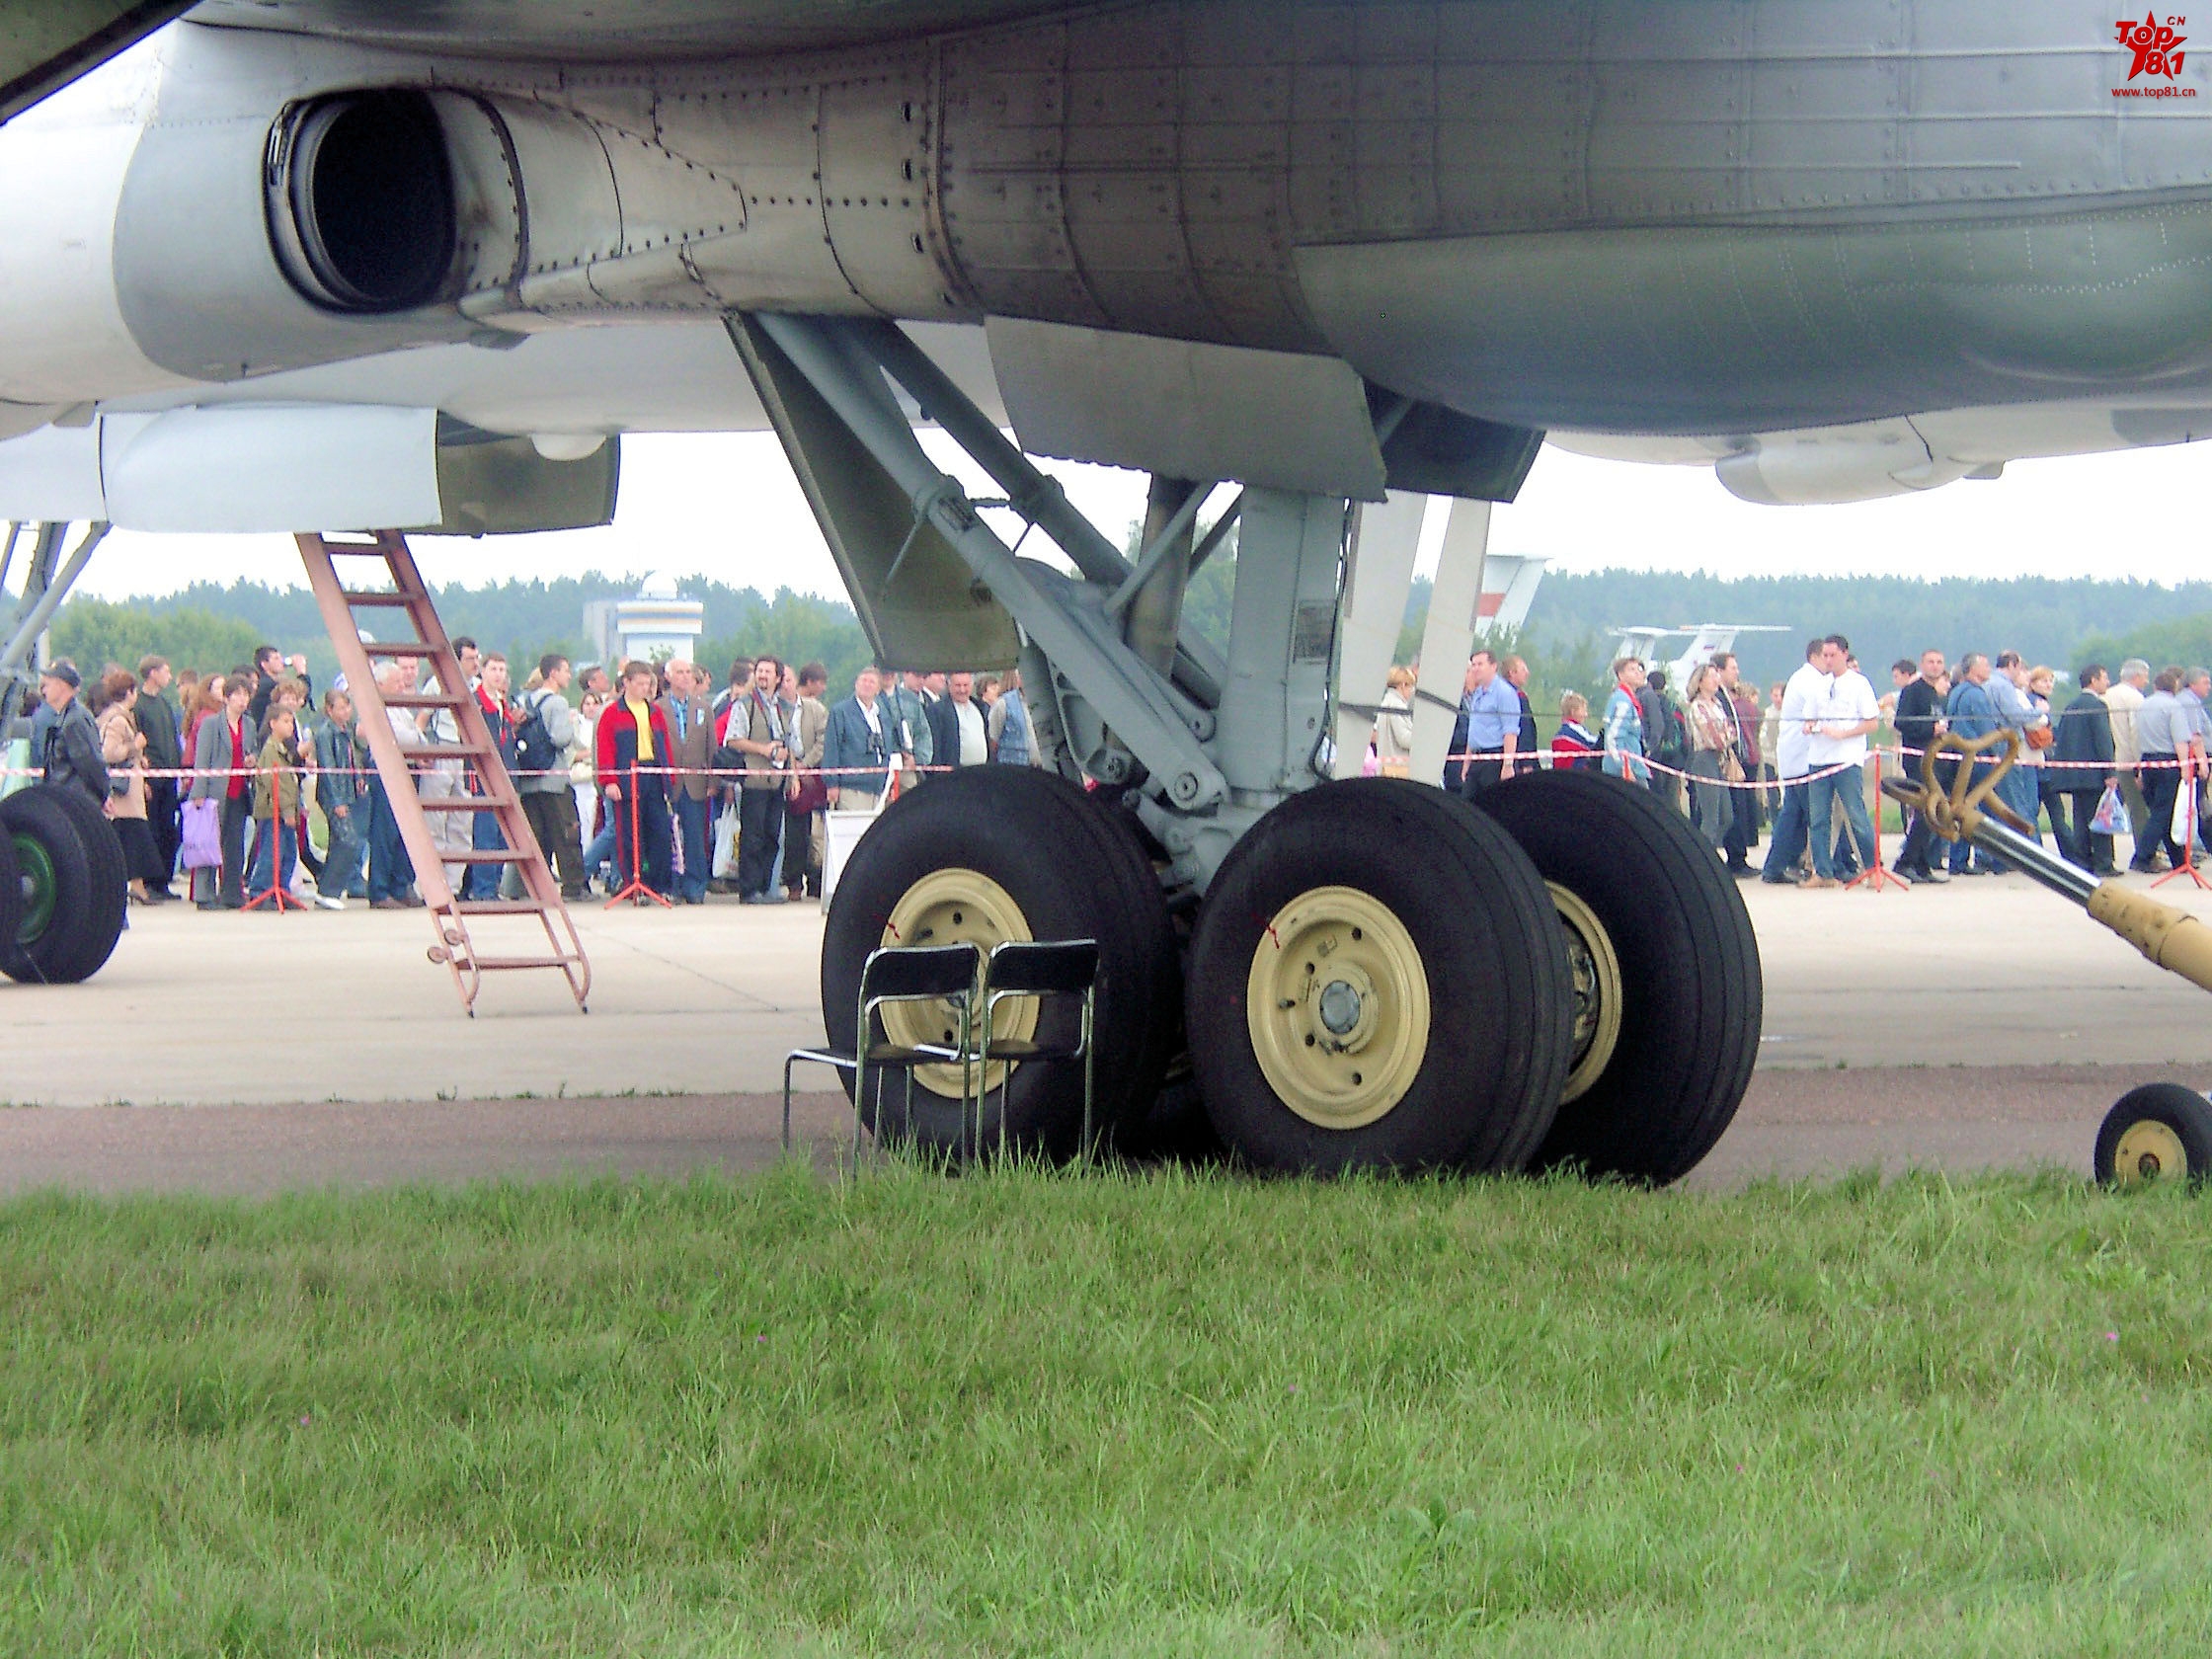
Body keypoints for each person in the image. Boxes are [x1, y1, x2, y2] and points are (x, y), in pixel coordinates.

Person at [1803, 635, 1879, 889]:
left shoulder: (1859, 684)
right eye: (1824, 655)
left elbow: (1871, 722)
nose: (1828, 660)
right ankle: (1822, 870)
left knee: (1856, 815)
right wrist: (1811, 727)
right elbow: (1808, 719)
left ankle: (1872, 867)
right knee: (1819, 818)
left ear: (1844, 654)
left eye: (1832, 655)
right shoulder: (1817, 685)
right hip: (1819, 758)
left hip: (1847, 759)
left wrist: (1843, 734)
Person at [596, 660, 674, 900]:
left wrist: (668, 776)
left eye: (647, 684)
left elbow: (664, 745)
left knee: (660, 831)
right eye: (639, 683)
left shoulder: (655, 712)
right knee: (629, 835)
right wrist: (609, 780)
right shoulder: (612, 713)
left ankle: (660, 885)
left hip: (652, 774)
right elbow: (605, 748)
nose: (645, 688)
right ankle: (633, 884)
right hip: (627, 777)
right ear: (626, 683)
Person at [515, 654, 588, 902]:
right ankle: (573, 886)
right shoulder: (557, 703)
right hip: (554, 778)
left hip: (529, 778)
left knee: (537, 835)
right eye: (566, 670)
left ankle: (534, 887)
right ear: (553, 674)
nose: (569, 675)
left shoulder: (526, 700)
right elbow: (560, 738)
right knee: (566, 832)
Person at [726, 654, 793, 905]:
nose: (763, 676)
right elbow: (733, 739)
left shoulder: (782, 707)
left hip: (777, 780)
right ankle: (749, 889)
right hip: (754, 780)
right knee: (752, 836)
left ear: (778, 678)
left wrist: (792, 774)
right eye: (760, 671)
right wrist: (764, 750)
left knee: (772, 836)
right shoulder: (745, 705)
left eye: (768, 672)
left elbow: (791, 743)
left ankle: (766, 888)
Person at [93, 668, 164, 905]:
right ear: (130, 693)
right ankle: (137, 886)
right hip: (124, 793)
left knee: (132, 836)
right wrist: (135, 746)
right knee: (134, 836)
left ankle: (137, 885)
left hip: (129, 789)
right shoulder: (117, 720)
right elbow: (108, 753)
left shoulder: (112, 716)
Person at [1761, 641, 1828, 885]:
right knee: (1809, 815)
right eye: (1825, 656)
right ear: (1814, 656)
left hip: (1796, 757)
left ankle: (1778, 865)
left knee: (1794, 814)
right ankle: (1822, 865)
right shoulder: (1810, 680)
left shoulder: (1804, 678)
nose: (1828, 661)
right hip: (1801, 758)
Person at [190, 670, 255, 909]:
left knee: (234, 844)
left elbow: (251, 751)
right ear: (226, 698)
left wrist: (252, 760)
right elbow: (202, 759)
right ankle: (204, 895)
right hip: (213, 792)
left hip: (238, 792)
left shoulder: (248, 724)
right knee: (208, 842)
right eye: (237, 694)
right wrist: (198, 792)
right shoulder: (211, 724)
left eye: (245, 695)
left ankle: (231, 893)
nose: (242, 699)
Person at [653, 659, 713, 905]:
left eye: (689, 672)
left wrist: (713, 780)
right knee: (668, 836)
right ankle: (672, 885)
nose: (685, 677)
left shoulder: (703, 708)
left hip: (695, 782)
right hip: (668, 782)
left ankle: (696, 886)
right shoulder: (657, 708)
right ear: (668, 676)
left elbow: (712, 747)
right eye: (680, 672)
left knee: (695, 836)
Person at [363, 661, 421, 909]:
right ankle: (379, 890)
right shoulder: (377, 708)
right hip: (386, 773)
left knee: (404, 833)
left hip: (406, 771)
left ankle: (400, 886)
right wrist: (415, 738)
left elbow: (417, 738)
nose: (401, 685)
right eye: (395, 682)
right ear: (380, 684)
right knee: (384, 834)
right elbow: (405, 736)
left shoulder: (400, 709)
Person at [1889, 650, 1949, 883]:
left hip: (1936, 760)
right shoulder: (1912, 691)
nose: (1935, 666)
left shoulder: (1936, 694)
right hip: (1919, 761)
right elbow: (1901, 722)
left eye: (1939, 662)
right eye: (1931, 662)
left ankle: (1922, 865)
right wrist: (1930, 730)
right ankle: (1905, 862)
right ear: (1922, 665)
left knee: (1933, 812)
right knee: (1925, 811)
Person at [464, 652, 518, 901]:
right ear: (483, 672)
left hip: (505, 775)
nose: (498, 675)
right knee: (485, 833)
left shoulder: (501, 704)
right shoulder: (476, 703)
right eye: (493, 669)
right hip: (484, 777)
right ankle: (482, 888)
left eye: (502, 670)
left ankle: (493, 885)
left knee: (501, 835)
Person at [1944, 654, 2005, 875]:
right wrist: (1997, 754)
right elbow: (1985, 729)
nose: (1989, 668)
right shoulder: (1976, 695)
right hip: (1978, 759)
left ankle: (1957, 861)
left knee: (1961, 809)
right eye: (1985, 664)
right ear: (1972, 669)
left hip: (1957, 758)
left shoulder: (1956, 692)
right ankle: (1998, 859)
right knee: (1991, 810)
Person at [2055, 665, 2118, 874]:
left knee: (2080, 820)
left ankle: (2082, 861)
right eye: (2105, 677)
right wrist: (2109, 771)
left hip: (2075, 774)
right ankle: (2103, 863)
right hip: (2094, 775)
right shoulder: (2097, 705)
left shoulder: (2070, 706)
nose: (2107, 682)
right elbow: (2103, 741)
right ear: (2093, 680)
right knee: (2100, 819)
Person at [248, 704, 308, 902]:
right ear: (273, 724)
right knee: (270, 854)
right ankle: (260, 892)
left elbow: (291, 782)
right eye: (285, 721)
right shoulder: (271, 750)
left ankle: (281, 892)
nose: (290, 726)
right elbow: (278, 785)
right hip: (272, 812)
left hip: (285, 811)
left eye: (291, 722)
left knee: (289, 854)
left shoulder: (284, 750)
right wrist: (287, 811)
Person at [135, 656, 183, 898]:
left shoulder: (164, 704)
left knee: (168, 830)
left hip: (169, 776)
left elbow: (173, 739)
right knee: (151, 830)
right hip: (152, 777)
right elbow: (138, 742)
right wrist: (143, 779)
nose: (170, 676)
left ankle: (163, 880)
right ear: (152, 673)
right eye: (166, 671)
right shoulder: (139, 705)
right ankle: (150, 881)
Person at [786, 663, 831, 901]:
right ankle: (792, 882)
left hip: (812, 779)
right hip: (784, 777)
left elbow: (823, 740)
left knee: (814, 834)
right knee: (793, 835)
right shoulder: (780, 709)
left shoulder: (817, 709)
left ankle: (815, 882)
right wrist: (792, 767)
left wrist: (806, 764)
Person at [824, 666, 894, 812]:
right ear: (856, 684)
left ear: (878, 689)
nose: (867, 685)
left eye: (871, 682)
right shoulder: (841, 712)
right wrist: (832, 783)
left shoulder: (882, 716)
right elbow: (832, 748)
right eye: (863, 680)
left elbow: (888, 750)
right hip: (852, 787)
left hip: (878, 789)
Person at [1683, 664, 1735, 854]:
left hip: (1719, 761)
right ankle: (1702, 856)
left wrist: (1726, 736)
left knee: (1726, 816)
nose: (1716, 680)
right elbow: (1713, 738)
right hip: (1704, 759)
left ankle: (1708, 851)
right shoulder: (1698, 707)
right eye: (1711, 676)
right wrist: (1725, 736)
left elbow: (1731, 730)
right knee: (1710, 816)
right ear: (1700, 682)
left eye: (1716, 676)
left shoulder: (1718, 704)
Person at [1457, 650, 1520, 796]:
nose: (1476, 668)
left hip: (1494, 759)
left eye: (1480, 664)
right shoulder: (1478, 693)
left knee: (1493, 804)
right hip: (1476, 760)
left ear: (1493, 666)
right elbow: (1474, 730)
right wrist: (1466, 762)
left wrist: (1508, 764)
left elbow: (1510, 731)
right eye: (1473, 665)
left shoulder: (1504, 693)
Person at [2107, 659, 2152, 856]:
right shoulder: (2136, 699)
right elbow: (2136, 734)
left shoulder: (2106, 695)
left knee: (2107, 809)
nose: (2146, 682)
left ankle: (2104, 853)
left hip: (2109, 760)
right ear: (2136, 676)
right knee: (2138, 809)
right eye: (2145, 677)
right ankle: (2144, 852)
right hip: (2128, 761)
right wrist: (2140, 766)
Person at [1638, 667, 1686, 803]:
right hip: (1673, 757)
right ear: (1664, 685)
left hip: (1653, 756)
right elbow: (1683, 731)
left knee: (1655, 797)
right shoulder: (1674, 706)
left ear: (1649, 684)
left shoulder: (1645, 702)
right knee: (1673, 798)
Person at [1601, 658, 1649, 785]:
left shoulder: (1625, 699)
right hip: (1626, 771)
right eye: (1632, 669)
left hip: (1631, 766)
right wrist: (1623, 766)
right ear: (1620, 675)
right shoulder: (1623, 702)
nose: (1638, 673)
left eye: (1639, 669)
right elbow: (1614, 737)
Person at [885, 670, 935, 788]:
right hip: (877, 772)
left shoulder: (911, 699)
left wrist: (917, 759)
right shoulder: (868, 698)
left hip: (906, 770)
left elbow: (923, 733)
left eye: (891, 670)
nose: (889, 675)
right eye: (884, 671)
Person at [1374, 666, 1415, 776]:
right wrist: (1422, 739)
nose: (1411, 691)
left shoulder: (1385, 703)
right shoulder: (1398, 706)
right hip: (1397, 771)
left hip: (1384, 769)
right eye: (1410, 686)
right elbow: (1403, 739)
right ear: (1403, 685)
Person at [989, 666, 1035, 765]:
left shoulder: (1045, 702)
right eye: (1023, 676)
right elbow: (992, 742)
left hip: (1042, 769)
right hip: (1014, 769)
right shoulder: (1003, 703)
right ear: (1018, 678)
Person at [944, 671, 990, 770]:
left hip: (981, 771)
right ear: (949, 685)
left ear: (972, 685)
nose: (962, 690)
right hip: (956, 774)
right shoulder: (938, 710)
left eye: (966, 685)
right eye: (957, 685)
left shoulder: (981, 708)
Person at [1502, 655, 1540, 776]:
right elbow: (1525, 731)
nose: (1527, 673)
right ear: (1512, 673)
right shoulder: (1517, 698)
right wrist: (1527, 762)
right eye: (1523, 669)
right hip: (1519, 762)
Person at [1550, 691, 1600, 770]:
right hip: (1576, 775)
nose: (1586, 714)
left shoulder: (1558, 735)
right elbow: (1593, 742)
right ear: (1573, 712)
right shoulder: (1575, 729)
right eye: (1583, 711)